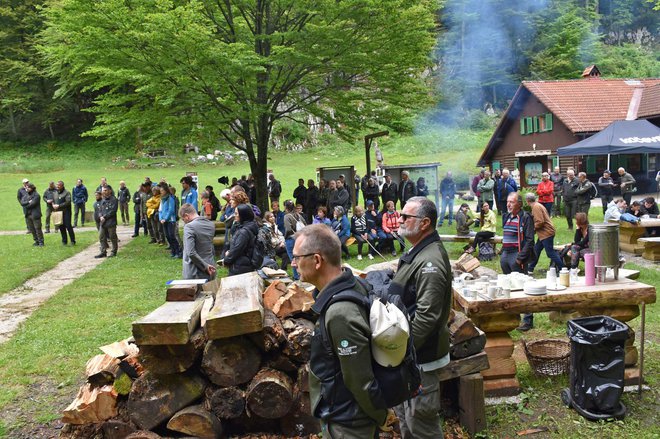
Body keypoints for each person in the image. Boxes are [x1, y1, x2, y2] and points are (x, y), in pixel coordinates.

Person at [293, 224, 390, 439]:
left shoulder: (340, 312)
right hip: (346, 414)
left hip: (350, 422)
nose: (294, 264)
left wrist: (379, 416)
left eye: (297, 257)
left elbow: (360, 379)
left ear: (317, 260)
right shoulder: (351, 284)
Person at [388, 196, 452, 439]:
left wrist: (401, 350)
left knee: (421, 424)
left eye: (406, 217)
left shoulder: (431, 262)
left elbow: (427, 316)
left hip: (420, 357)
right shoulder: (418, 250)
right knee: (407, 419)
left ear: (424, 223)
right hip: (410, 357)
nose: (400, 220)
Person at [526, 192, 564, 279]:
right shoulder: (537, 205)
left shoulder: (536, 207)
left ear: (527, 201)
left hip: (546, 233)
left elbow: (540, 222)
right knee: (536, 250)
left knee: (550, 253)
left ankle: (563, 269)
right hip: (543, 233)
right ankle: (530, 269)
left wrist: (532, 229)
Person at [179, 203, 217, 280]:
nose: (184, 222)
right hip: (211, 265)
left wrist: (205, 266)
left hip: (195, 271)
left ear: (187, 216)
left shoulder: (189, 227)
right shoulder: (210, 224)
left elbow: (191, 252)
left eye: (183, 219)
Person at [500, 192, 534, 276]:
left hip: (516, 254)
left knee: (519, 284)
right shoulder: (506, 216)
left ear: (519, 204)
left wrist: (520, 258)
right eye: (507, 202)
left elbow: (530, 240)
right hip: (505, 254)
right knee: (507, 282)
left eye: (511, 202)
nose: (508, 205)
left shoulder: (525, 217)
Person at [223, 204, 259, 275]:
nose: (235, 215)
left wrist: (226, 260)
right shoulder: (251, 226)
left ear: (243, 215)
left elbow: (237, 249)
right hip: (246, 263)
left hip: (240, 267)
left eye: (236, 213)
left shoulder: (243, 232)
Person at [284, 200, 305, 280]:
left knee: (293, 258)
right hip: (300, 238)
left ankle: (297, 276)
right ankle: (302, 274)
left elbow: (288, 229)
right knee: (299, 257)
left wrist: (285, 237)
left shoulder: (287, 216)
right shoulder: (298, 215)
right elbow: (305, 224)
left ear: (286, 207)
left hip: (291, 239)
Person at [96, 186, 118, 257]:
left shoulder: (114, 200)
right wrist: (100, 216)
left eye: (105, 190)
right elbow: (99, 210)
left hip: (111, 222)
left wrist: (104, 217)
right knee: (101, 237)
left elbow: (113, 211)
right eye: (103, 191)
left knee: (112, 237)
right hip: (103, 222)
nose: (103, 192)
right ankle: (103, 251)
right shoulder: (102, 200)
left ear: (109, 191)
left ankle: (114, 251)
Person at [159, 185, 181, 258]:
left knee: (172, 236)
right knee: (167, 236)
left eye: (162, 191)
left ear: (166, 191)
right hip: (164, 221)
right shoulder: (162, 200)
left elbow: (171, 210)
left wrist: (165, 218)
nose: (161, 192)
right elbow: (160, 210)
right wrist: (161, 218)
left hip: (170, 220)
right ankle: (173, 251)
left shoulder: (170, 199)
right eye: (160, 191)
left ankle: (178, 252)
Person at [53, 181, 76, 246]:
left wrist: (59, 206)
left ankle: (72, 241)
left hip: (66, 212)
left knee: (68, 226)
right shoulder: (55, 193)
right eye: (57, 185)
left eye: (59, 186)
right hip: (58, 212)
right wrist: (53, 205)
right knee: (61, 226)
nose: (57, 187)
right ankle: (64, 241)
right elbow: (54, 201)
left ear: (62, 186)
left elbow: (68, 202)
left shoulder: (67, 193)